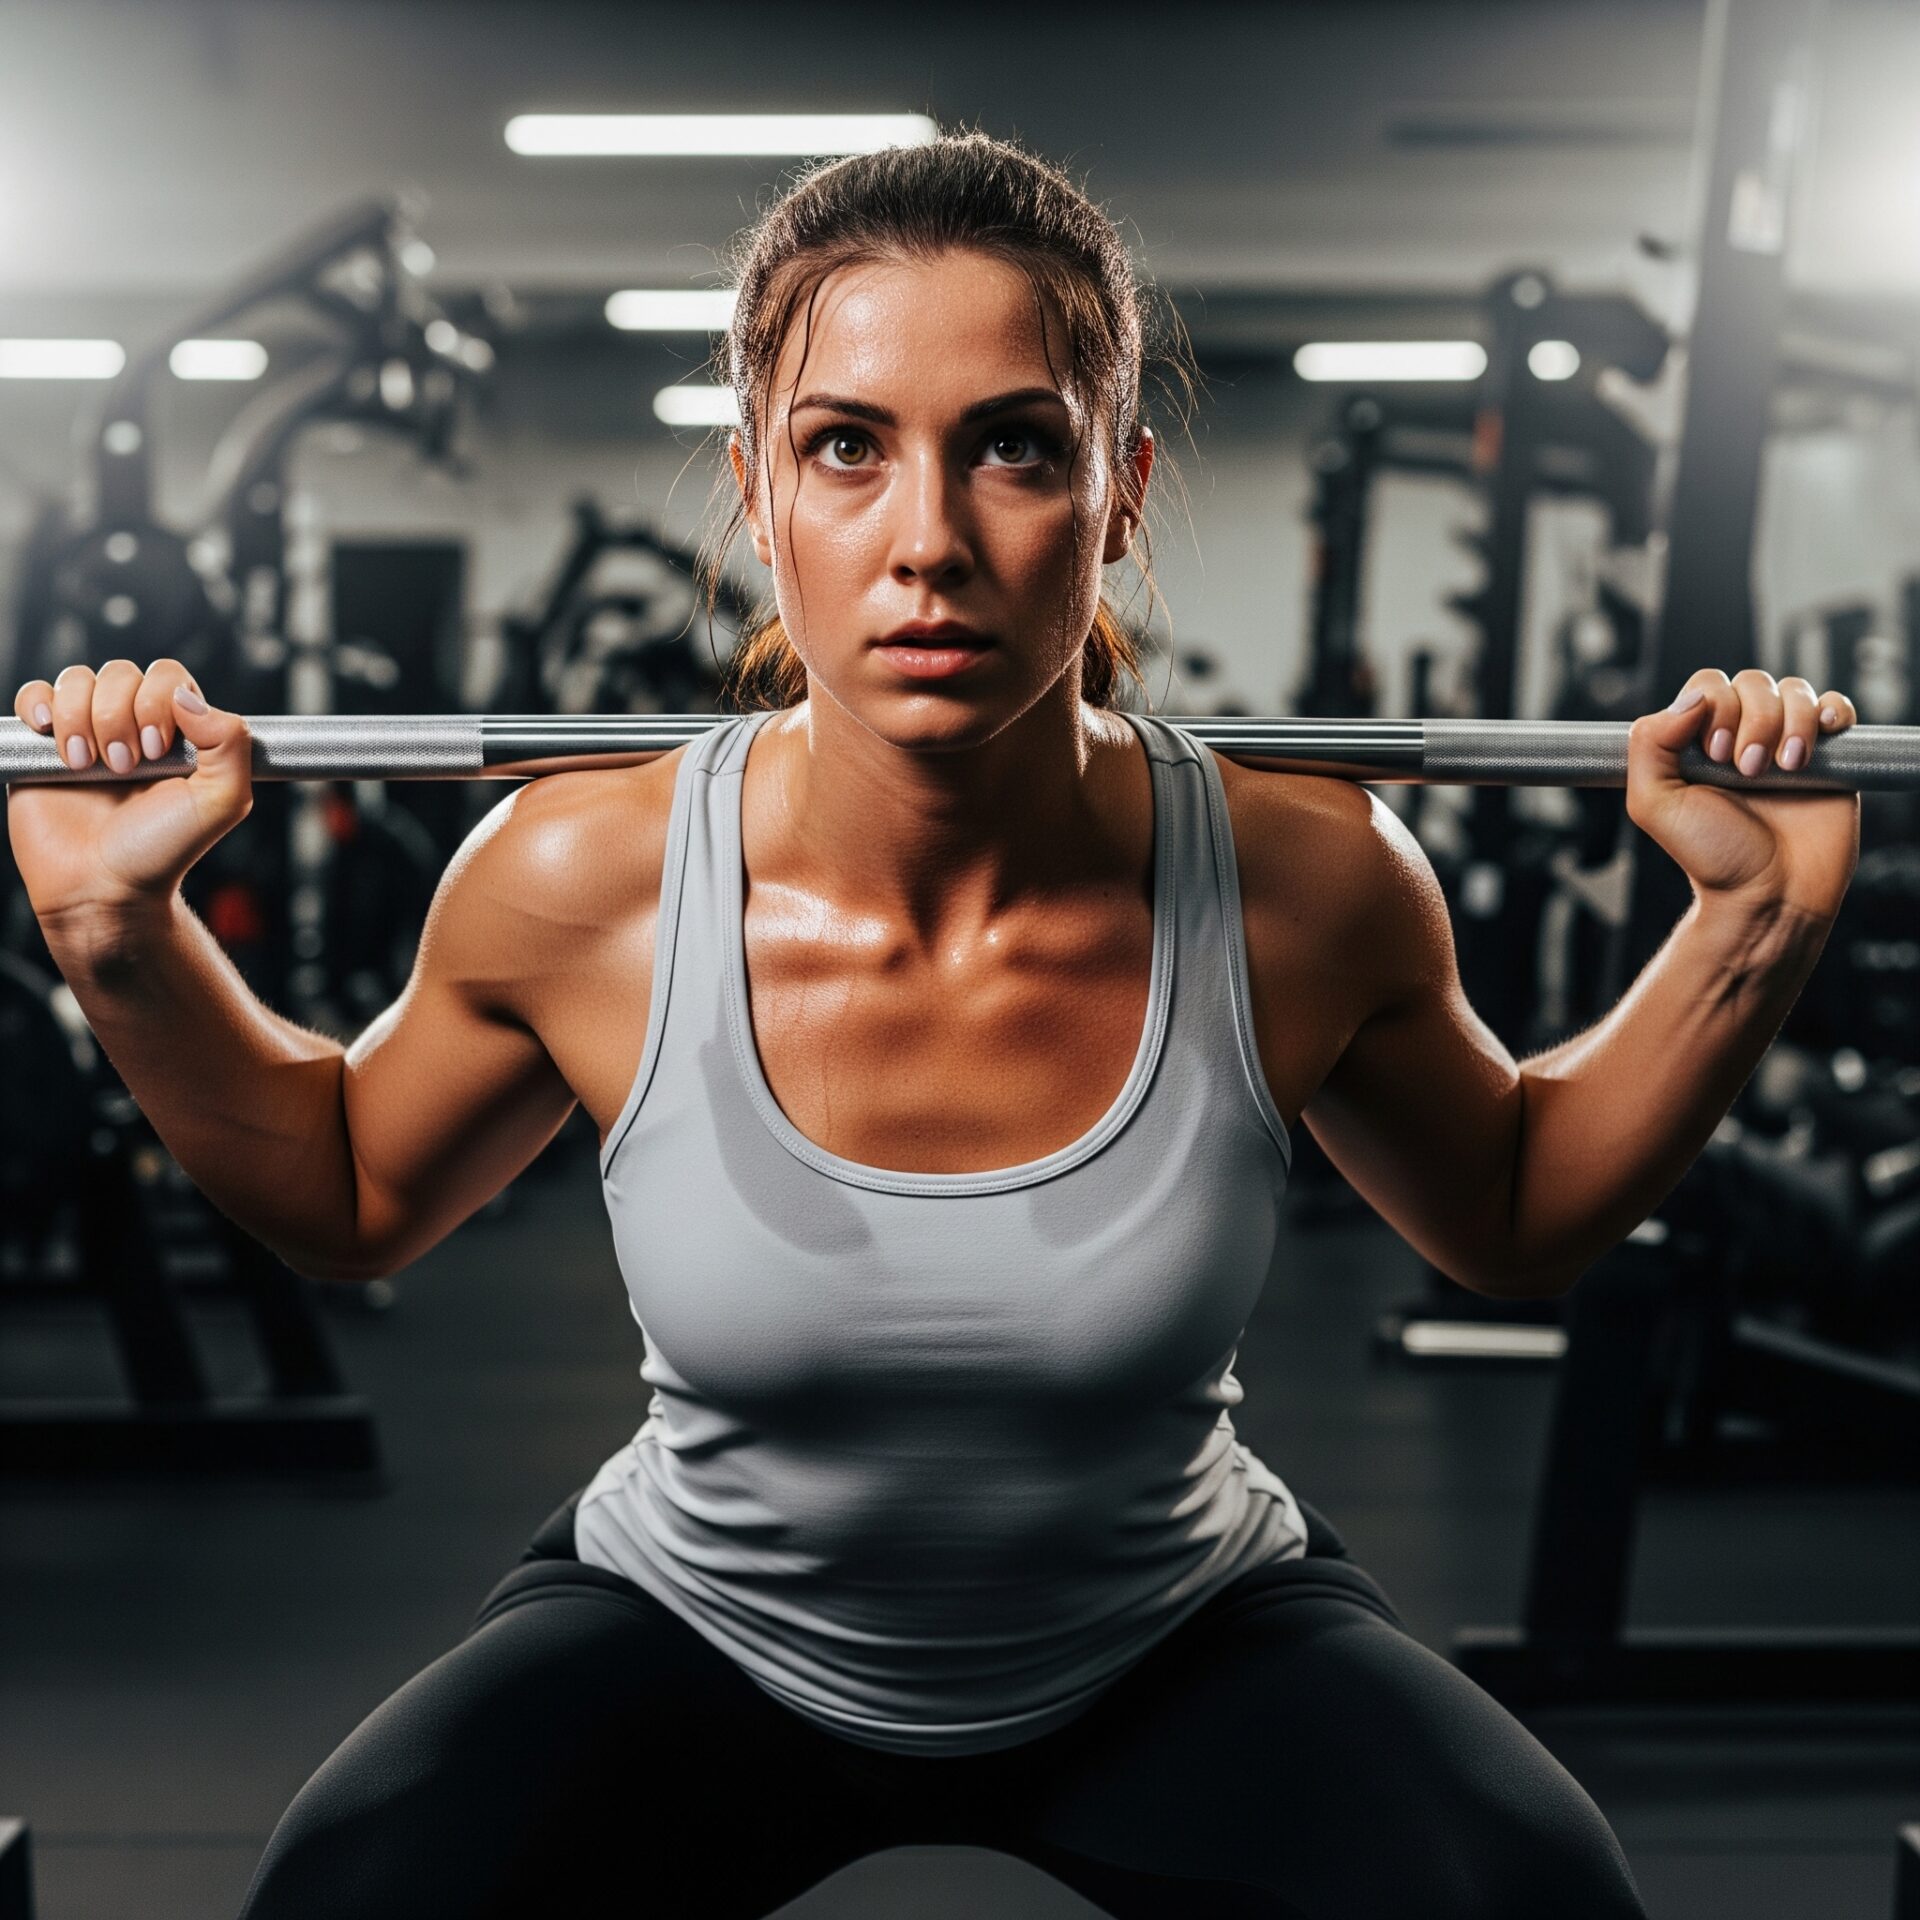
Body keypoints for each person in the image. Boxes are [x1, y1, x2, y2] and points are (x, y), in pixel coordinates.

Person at [7, 134, 1860, 1920]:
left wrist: (1754, 920)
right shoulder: (584, 875)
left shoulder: (1304, 879)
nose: (930, 543)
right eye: (845, 450)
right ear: (757, 492)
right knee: (355, 1890)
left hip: (1173, 1633)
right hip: (700, 1627)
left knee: (1528, 1892)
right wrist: (118, 933)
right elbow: (345, 1191)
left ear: (1120, 492)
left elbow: (1518, 1207)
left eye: (1014, 452)